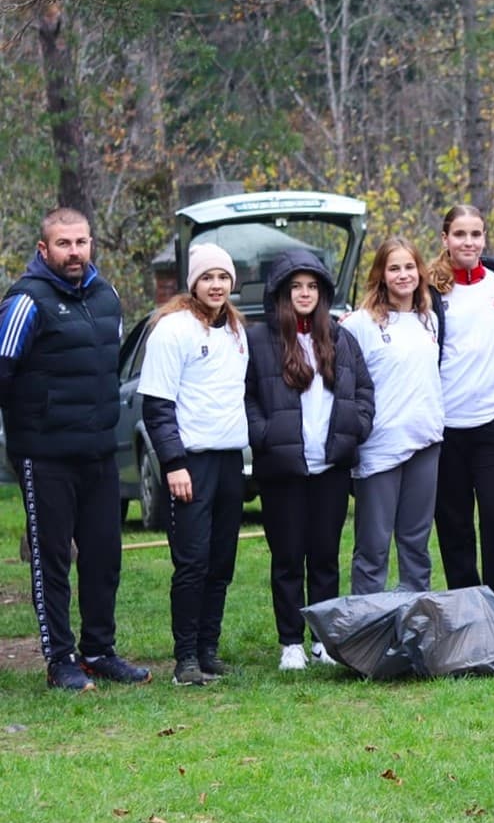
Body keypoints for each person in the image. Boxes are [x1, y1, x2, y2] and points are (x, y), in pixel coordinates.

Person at [0, 207, 149, 690]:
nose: (74, 252)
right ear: (43, 249)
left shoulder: (108, 296)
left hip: (99, 453)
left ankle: (99, 651)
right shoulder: (25, 301)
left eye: (81, 242)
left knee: (104, 557)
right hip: (44, 455)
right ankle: (60, 660)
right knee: (52, 560)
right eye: (63, 244)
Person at [244, 250, 374, 672]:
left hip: (330, 466)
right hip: (282, 468)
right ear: (281, 293)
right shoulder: (259, 340)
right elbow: (245, 397)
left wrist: (355, 427)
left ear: (323, 293)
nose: (304, 294)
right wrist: (264, 435)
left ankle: (322, 639)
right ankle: (290, 641)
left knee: (324, 556)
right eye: (296, 287)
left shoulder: (339, 337)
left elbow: (364, 390)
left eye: (312, 286)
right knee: (287, 557)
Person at [139, 245, 250, 686]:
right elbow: (157, 406)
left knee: (221, 561)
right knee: (192, 562)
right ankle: (185, 658)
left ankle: (208, 650)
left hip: (229, 459)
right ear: (193, 283)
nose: (216, 285)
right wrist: (174, 463)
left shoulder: (236, 330)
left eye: (223, 277)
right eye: (207, 277)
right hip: (191, 462)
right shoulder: (173, 329)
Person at [428, 205, 494, 605]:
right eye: (460, 234)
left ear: (484, 238)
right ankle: (466, 609)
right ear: (445, 238)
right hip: (445, 425)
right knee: (454, 526)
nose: (468, 242)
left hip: (492, 423)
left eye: (476, 234)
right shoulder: (431, 289)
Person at [340, 237, 444, 596]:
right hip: (380, 445)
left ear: (420, 271)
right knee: (374, 545)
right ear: (381, 275)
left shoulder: (429, 320)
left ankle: (415, 616)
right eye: (394, 268)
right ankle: (366, 622)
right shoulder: (359, 324)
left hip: (425, 441)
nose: (403, 275)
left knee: (416, 542)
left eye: (409, 267)